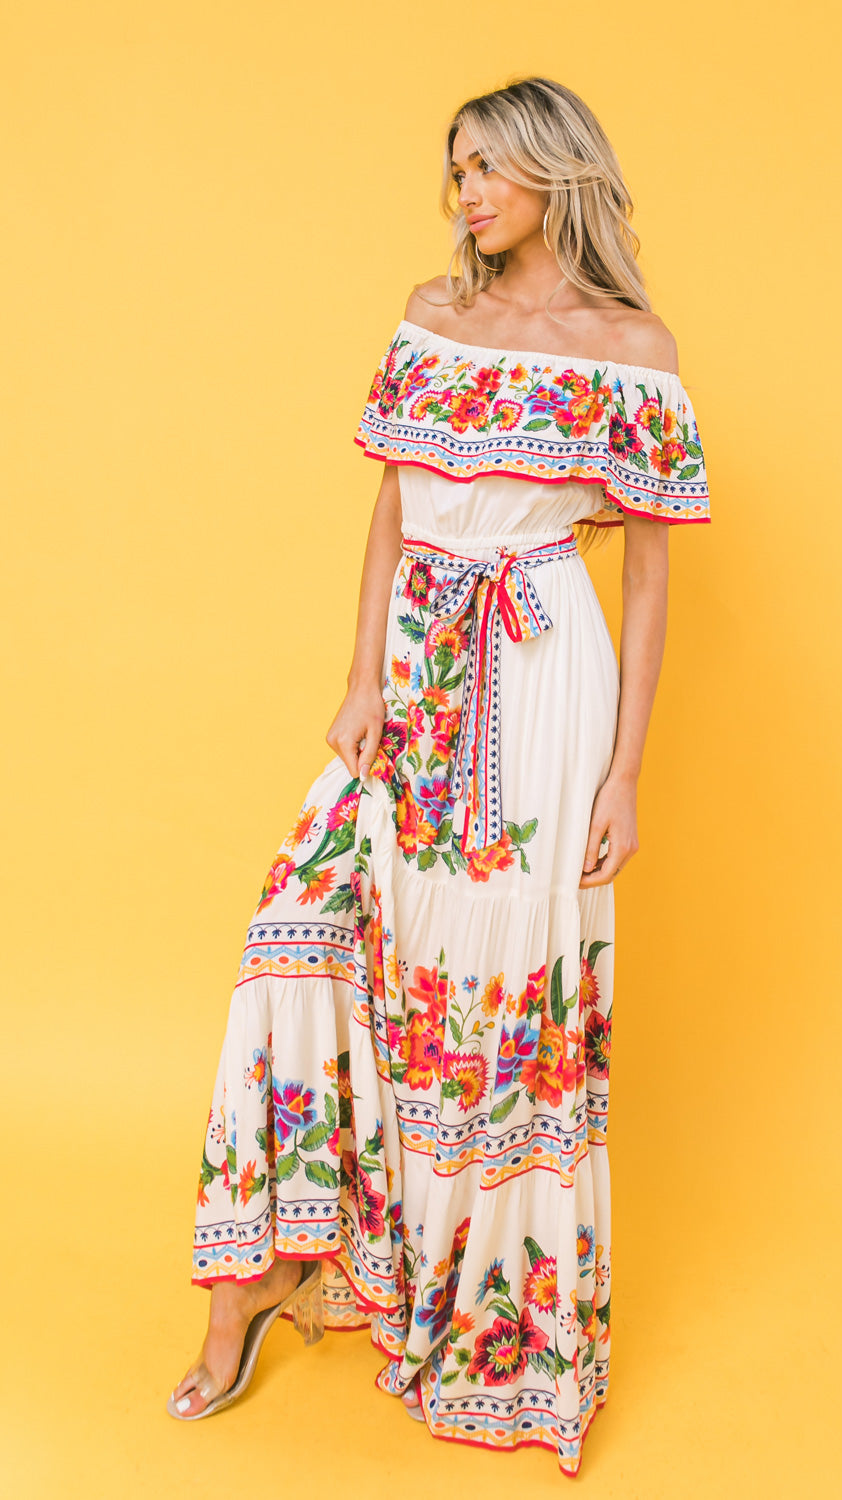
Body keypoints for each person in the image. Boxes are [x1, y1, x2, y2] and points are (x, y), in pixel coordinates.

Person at [166, 74, 711, 1476]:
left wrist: (625, 773)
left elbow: (649, 581)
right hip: (416, 665)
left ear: (554, 174)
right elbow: (393, 507)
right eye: (453, 170)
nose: (465, 194)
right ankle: (259, 1278)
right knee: (300, 938)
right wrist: (360, 678)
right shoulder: (432, 317)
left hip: (542, 681)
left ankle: (502, 1336)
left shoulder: (630, 346)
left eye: (486, 168)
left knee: (494, 999)